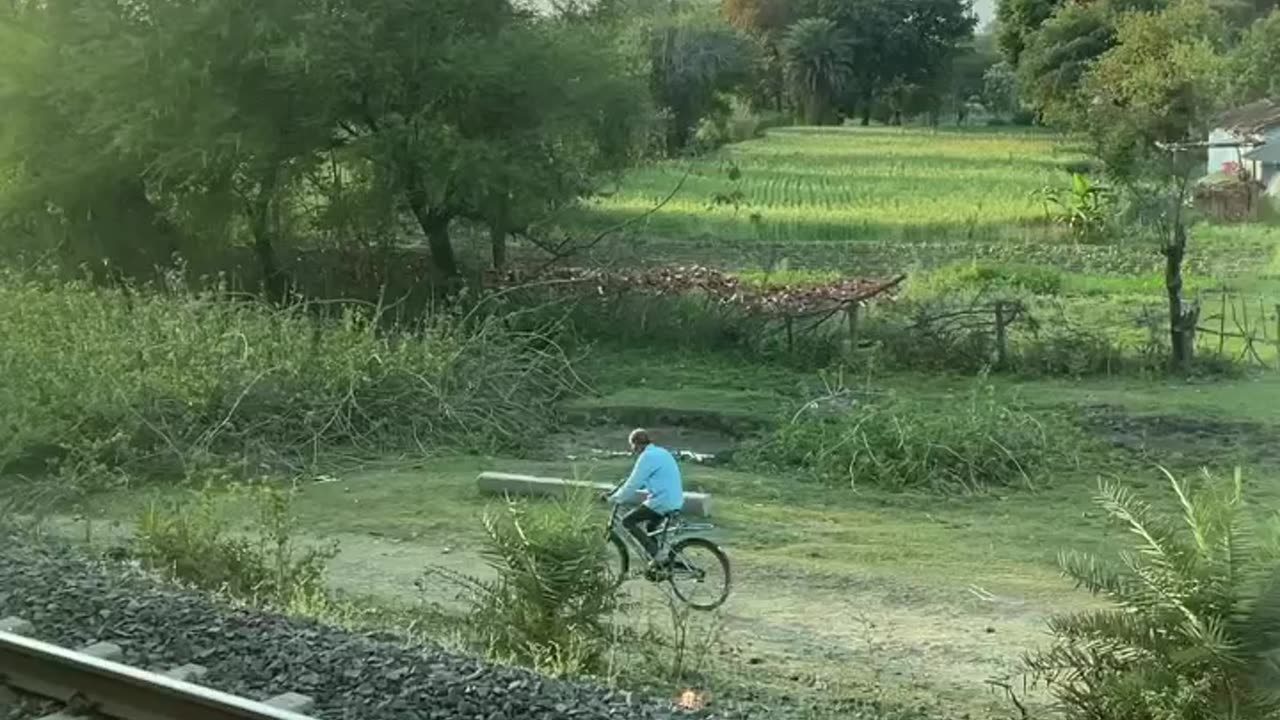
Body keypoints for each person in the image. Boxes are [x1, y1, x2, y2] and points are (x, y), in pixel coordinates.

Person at [606, 428, 684, 567]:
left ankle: (657, 556)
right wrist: (617, 491)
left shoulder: (647, 457)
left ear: (636, 444)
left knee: (627, 521)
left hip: (662, 501)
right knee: (650, 527)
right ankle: (657, 566)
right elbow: (640, 481)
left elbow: (633, 483)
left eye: (632, 446)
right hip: (674, 499)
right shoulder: (661, 452)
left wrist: (614, 498)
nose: (633, 450)